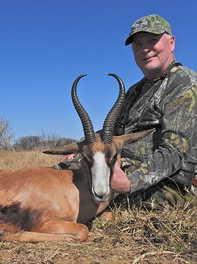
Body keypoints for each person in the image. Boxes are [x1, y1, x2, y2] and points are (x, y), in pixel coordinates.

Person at [60, 14, 197, 209]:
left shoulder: (184, 85)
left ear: (172, 43)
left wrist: (130, 181)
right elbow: (111, 132)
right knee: (60, 173)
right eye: (138, 44)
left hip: (166, 179)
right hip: (120, 166)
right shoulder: (135, 90)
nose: (145, 49)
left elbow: (175, 153)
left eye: (152, 41)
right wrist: (81, 147)